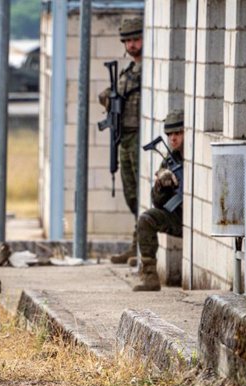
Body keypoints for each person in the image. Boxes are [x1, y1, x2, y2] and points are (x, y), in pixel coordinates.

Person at [99, 17, 143, 265]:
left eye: (136, 39)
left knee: (139, 193)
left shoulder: (145, 70)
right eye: (128, 41)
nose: (132, 45)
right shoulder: (127, 72)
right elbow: (106, 94)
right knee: (130, 194)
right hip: (125, 137)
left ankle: (140, 248)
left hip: (138, 135)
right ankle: (136, 245)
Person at [133, 109, 184, 291]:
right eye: (170, 134)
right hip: (178, 218)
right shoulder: (169, 161)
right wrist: (162, 186)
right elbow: (157, 203)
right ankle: (150, 276)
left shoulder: (194, 157)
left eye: (178, 133)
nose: (173, 139)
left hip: (198, 222)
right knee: (146, 219)